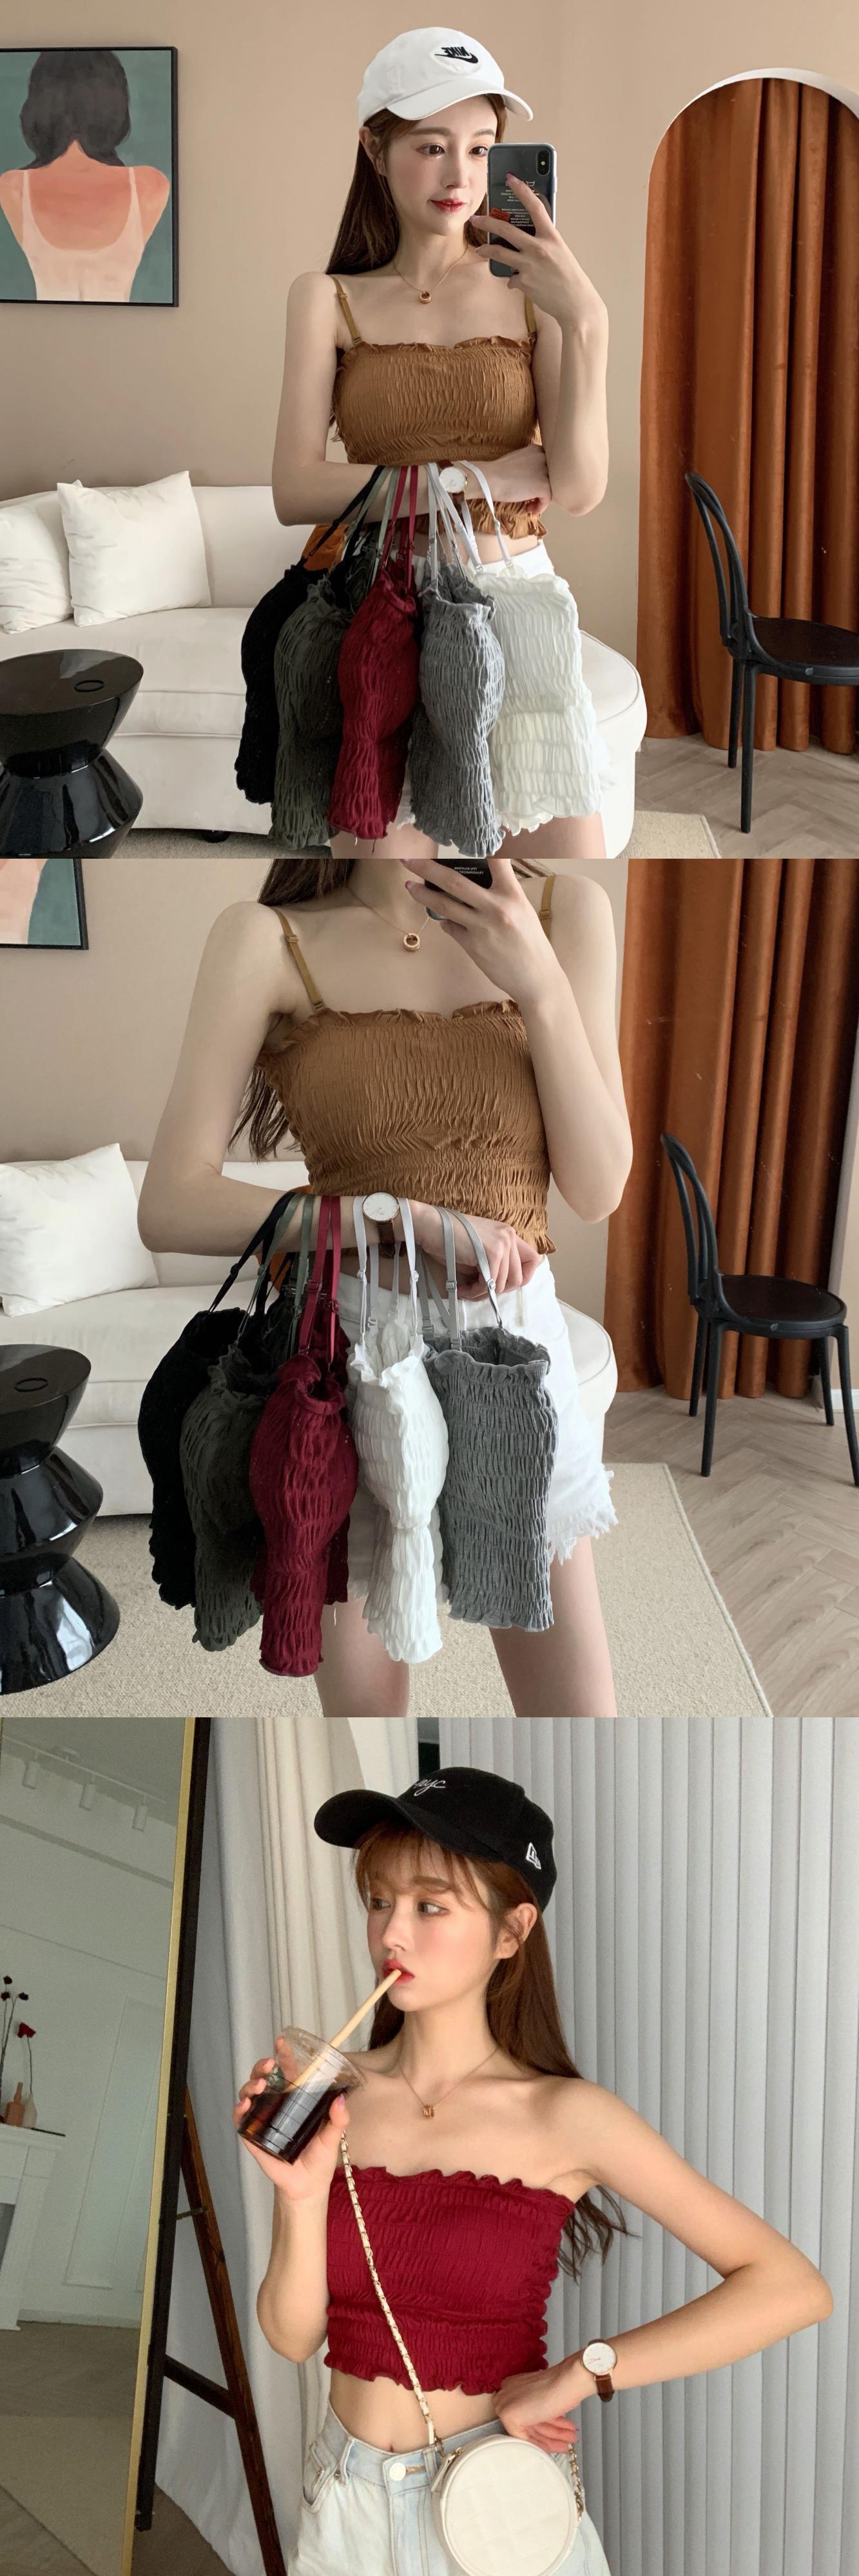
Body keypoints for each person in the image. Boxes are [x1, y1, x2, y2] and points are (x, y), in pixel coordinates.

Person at [235, 1766, 832, 2576]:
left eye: (430, 1906)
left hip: (495, 2515)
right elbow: (292, 2336)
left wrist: (582, 2374)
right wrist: (301, 2196)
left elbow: (792, 2287)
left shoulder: (568, 2116)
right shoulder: (334, 2092)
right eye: (378, 1900)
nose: (392, 1934)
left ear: (512, 1931)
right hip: (343, 2506)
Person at [138, 854, 633, 1719]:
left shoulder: (564, 910)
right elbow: (170, 1204)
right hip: (342, 1361)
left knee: (580, 1717)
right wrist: (396, 1217)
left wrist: (540, 984)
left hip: (514, 1359)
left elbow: (596, 1189)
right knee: (365, 1721)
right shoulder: (266, 940)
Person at [270, 26, 613, 860]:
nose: (460, 176)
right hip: (381, 613)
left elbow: (577, 486)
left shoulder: (532, 295)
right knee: (386, 887)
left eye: (481, 147)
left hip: (517, 605)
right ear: (375, 149)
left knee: (566, 879)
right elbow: (293, 489)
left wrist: (588, 321)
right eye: (430, 146)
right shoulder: (325, 298)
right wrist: (468, 479)